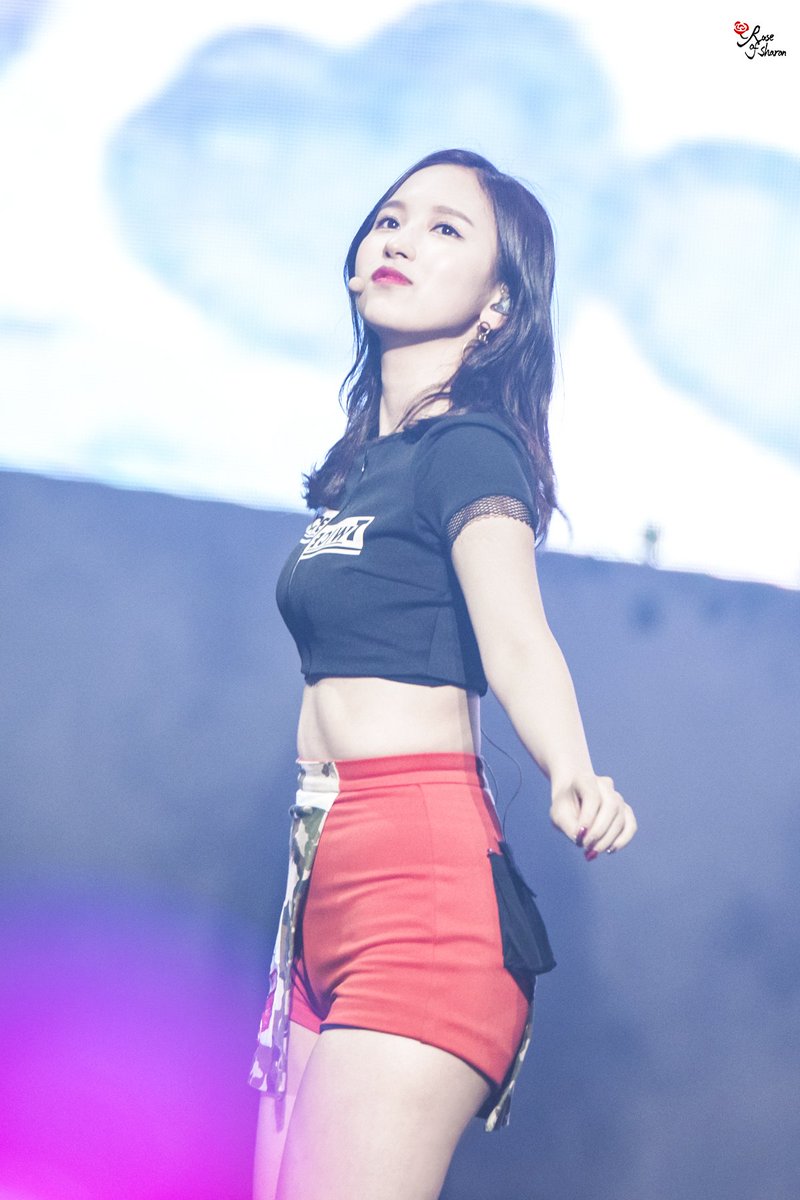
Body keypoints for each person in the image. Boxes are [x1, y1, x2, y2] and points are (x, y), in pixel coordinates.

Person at [248, 148, 637, 1200]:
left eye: (444, 229)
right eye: (389, 219)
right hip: (318, 885)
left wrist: (571, 767)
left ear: (499, 305)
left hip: (419, 895)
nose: (400, 239)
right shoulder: (362, 470)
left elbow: (517, 637)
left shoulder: (470, 448)